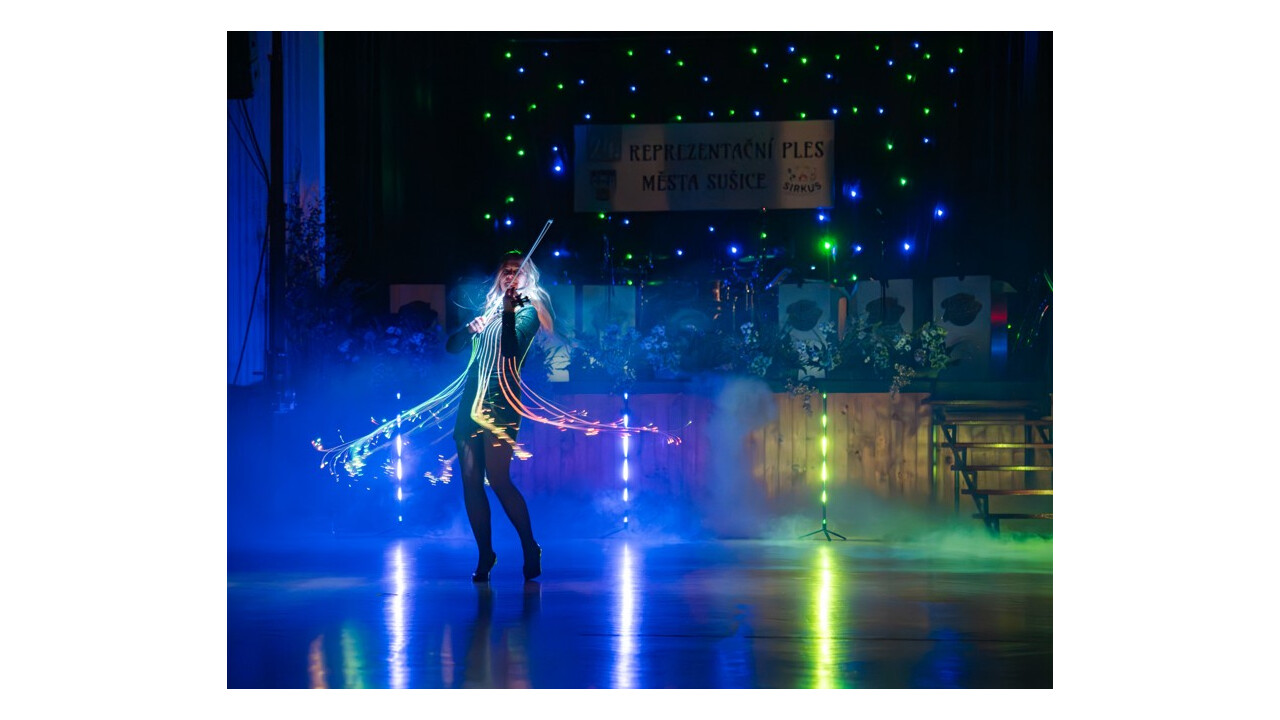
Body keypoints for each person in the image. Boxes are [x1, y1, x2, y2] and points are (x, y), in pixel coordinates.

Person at [446, 254, 554, 583]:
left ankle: (529, 545)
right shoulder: (489, 311)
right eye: (506, 270)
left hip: (501, 402)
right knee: (470, 481)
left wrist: (508, 312)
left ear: (528, 277)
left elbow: (510, 350)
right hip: (471, 400)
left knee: (498, 478)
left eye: (518, 271)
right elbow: (452, 347)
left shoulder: (528, 312)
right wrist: (468, 330)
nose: (511, 275)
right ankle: (485, 554)